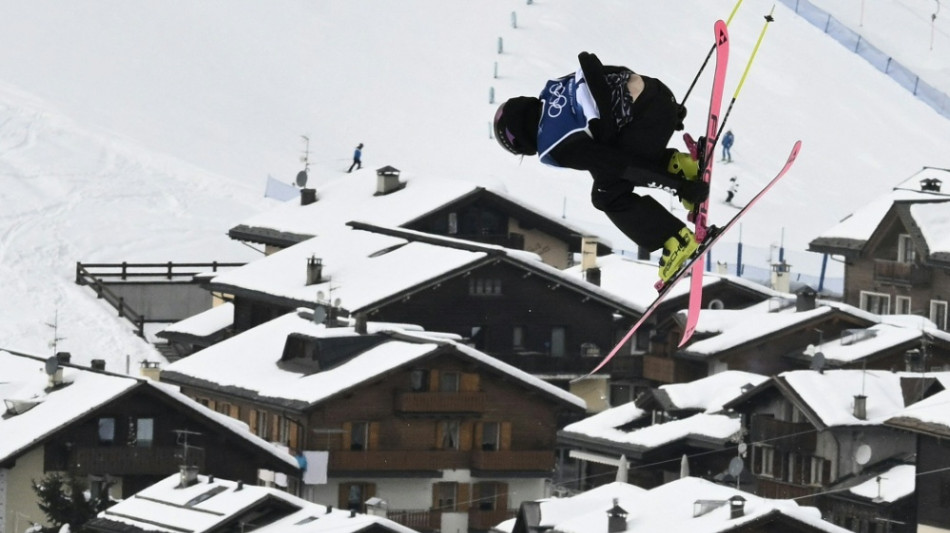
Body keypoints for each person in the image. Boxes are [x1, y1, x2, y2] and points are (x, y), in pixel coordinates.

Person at [493, 52, 709, 282]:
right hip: (657, 94)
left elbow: (618, 164)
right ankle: (682, 166)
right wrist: (666, 109)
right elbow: (606, 75)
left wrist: (679, 188)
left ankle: (676, 240)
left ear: (521, 141)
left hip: (645, 119)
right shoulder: (552, 90)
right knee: (608, 171)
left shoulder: (554, 144)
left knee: (607, 195)